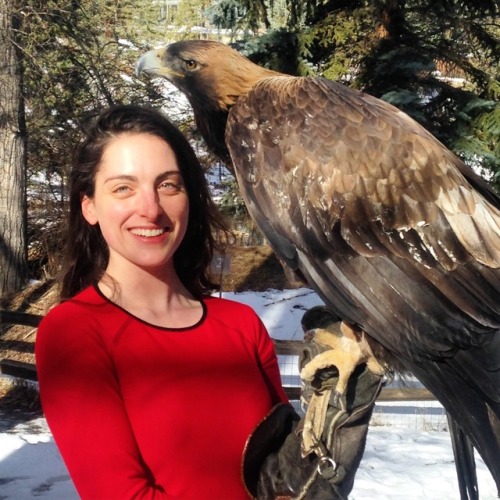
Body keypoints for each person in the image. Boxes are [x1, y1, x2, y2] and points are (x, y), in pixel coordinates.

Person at [35, 104, 289, 499]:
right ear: (89, 206)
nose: (150, 209)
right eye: (123, 188)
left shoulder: (241, 323)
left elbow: (282, 468)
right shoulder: (74, 332)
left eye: (168, 185)